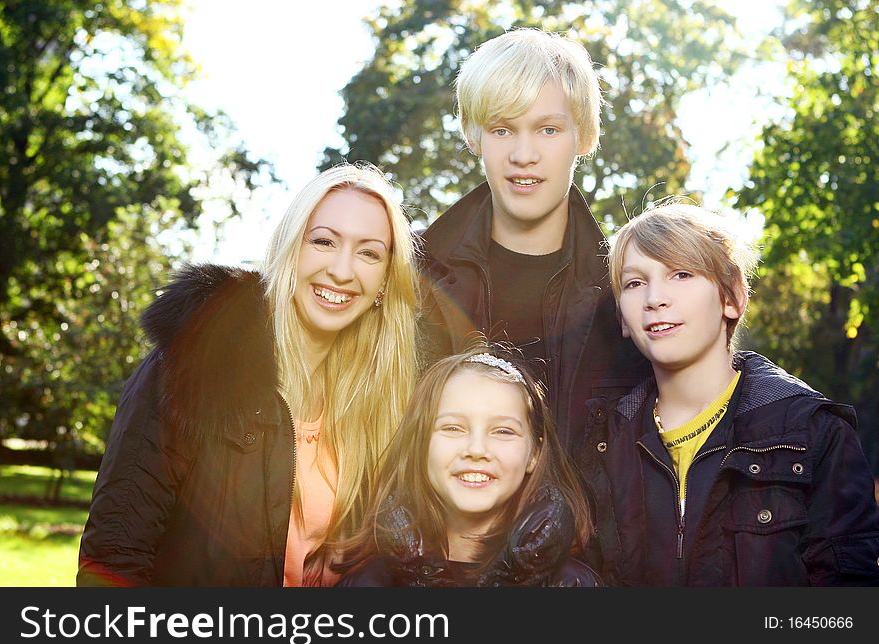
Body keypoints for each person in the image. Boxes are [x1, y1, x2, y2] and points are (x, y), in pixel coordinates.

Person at [77, 162, 419, 586]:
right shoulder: (196, 361)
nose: (343, 270)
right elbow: (113, 557)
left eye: (369, 252)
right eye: (324, 242)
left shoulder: (381, 400)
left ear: (386, 279)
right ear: (290, 248)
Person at [581, 201, 879, 586]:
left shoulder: (815, 435)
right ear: (622, 316)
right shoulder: (601, 443)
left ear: (732, 297)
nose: (654, 298)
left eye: (681, 274)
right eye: (634, 283)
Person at [416, 27, 648, 460]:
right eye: (503, 130)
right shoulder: (410, 275)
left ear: (582, 137)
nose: (524, 154)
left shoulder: (627, 292)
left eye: (547, 129)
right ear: (474, 137)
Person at [337, 344, 601, 587]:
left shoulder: (574, 584)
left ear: (534, 453)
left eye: (503, 431)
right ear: (419, 446)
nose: (476, 450)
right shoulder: (367, 583)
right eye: (453, 427)